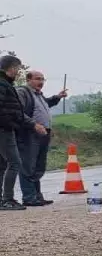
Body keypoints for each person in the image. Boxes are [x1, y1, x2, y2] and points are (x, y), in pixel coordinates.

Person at [0, 54, 48, 211]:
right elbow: (16, 112)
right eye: (18, 69)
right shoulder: (3, 85)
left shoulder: (6, 84)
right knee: (15, 163)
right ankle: (7, 200)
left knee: (3, 165)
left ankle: (4, 200)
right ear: (11, 68)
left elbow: (16, 111)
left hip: (7, 128)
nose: (18, 72)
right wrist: (30, 124)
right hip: (4, 130)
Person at [16, 70, 67, 206]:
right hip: (29, 133)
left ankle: (37, 196)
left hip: (43, 134)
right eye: (38, 79)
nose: (41, 82)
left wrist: (58, 97)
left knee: (38, 166)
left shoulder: (38, 95)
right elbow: (17, 111)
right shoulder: (23, 93)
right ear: (28, 80)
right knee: (28, 165)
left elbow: (46, 103)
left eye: (43, 79)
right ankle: (29, 197)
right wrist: (34, 124)